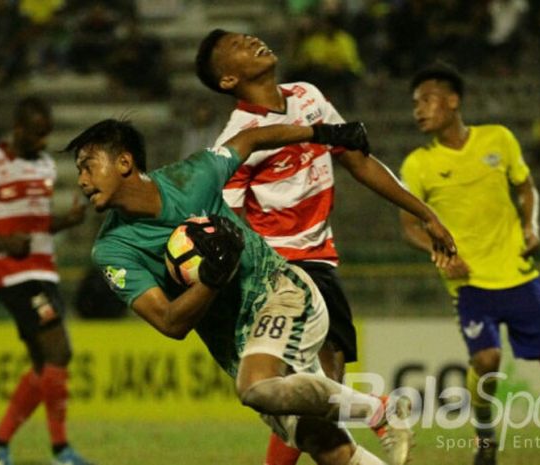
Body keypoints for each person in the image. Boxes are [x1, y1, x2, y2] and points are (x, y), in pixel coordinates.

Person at [67, 118, 441, 465]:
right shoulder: (113, 249)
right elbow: (169, 322)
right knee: (325, 445)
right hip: (238, 346)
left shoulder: (191, 178)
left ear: (124, 162)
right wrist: (212, 280)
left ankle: (380, 410)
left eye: (88, 165)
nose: (81, 180)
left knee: (256, 387)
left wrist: (324, 133)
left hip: (280, 293)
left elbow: (251, 138)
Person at [194, 29, 458, 465]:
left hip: (321, 264)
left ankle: (378, 415)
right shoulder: (238, 138)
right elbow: (227, 224)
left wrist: (425, 213)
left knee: (319, 397)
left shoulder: (307, 97)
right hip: (282, 272)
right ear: (228, 80)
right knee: (306, 396)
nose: (254, 41)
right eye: (239, 46)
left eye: (249, 35)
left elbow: (356, 159)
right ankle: (382, 411)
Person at [399, 61, 540, 465]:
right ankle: (485, 436)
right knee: (486, 361)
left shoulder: (498, 139)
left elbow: (526, 188)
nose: (419, 110)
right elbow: (409, 227)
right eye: (415, 103)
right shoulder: (417, 164)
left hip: (517, 274)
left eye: (427, 100)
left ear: (453, 101)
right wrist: (440, 252)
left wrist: (531, 227)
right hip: (469, 284)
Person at [0, 97, 92, 465]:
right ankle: (61, 451)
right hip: (12, 274)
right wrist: (2, 243)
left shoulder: (44, 165)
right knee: (59, 350)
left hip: (44, 269)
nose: (44, 143)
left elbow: (37, 222)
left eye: (47, 134)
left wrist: (66, 221)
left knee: (45, 364)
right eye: (38, 134)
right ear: (19, 128)